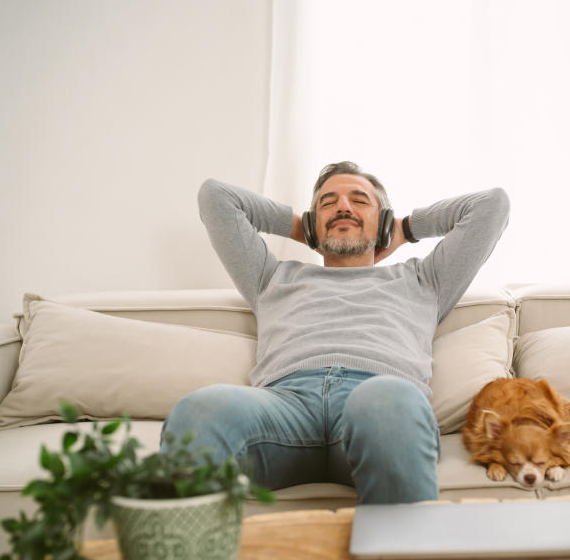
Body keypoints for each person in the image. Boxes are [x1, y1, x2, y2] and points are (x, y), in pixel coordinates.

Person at [162, 161, 509, 504]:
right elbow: (216, 197)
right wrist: (300, 227)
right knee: (199, 411)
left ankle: (402, 556)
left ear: (383, 220)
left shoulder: (425, 280)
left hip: (378, 404)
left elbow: (491, 205)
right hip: (284, 408)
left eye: (359, 200)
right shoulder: (270, 278)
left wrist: (404, 228)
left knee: (385, 399)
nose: (343, 206)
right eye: (327, 203)